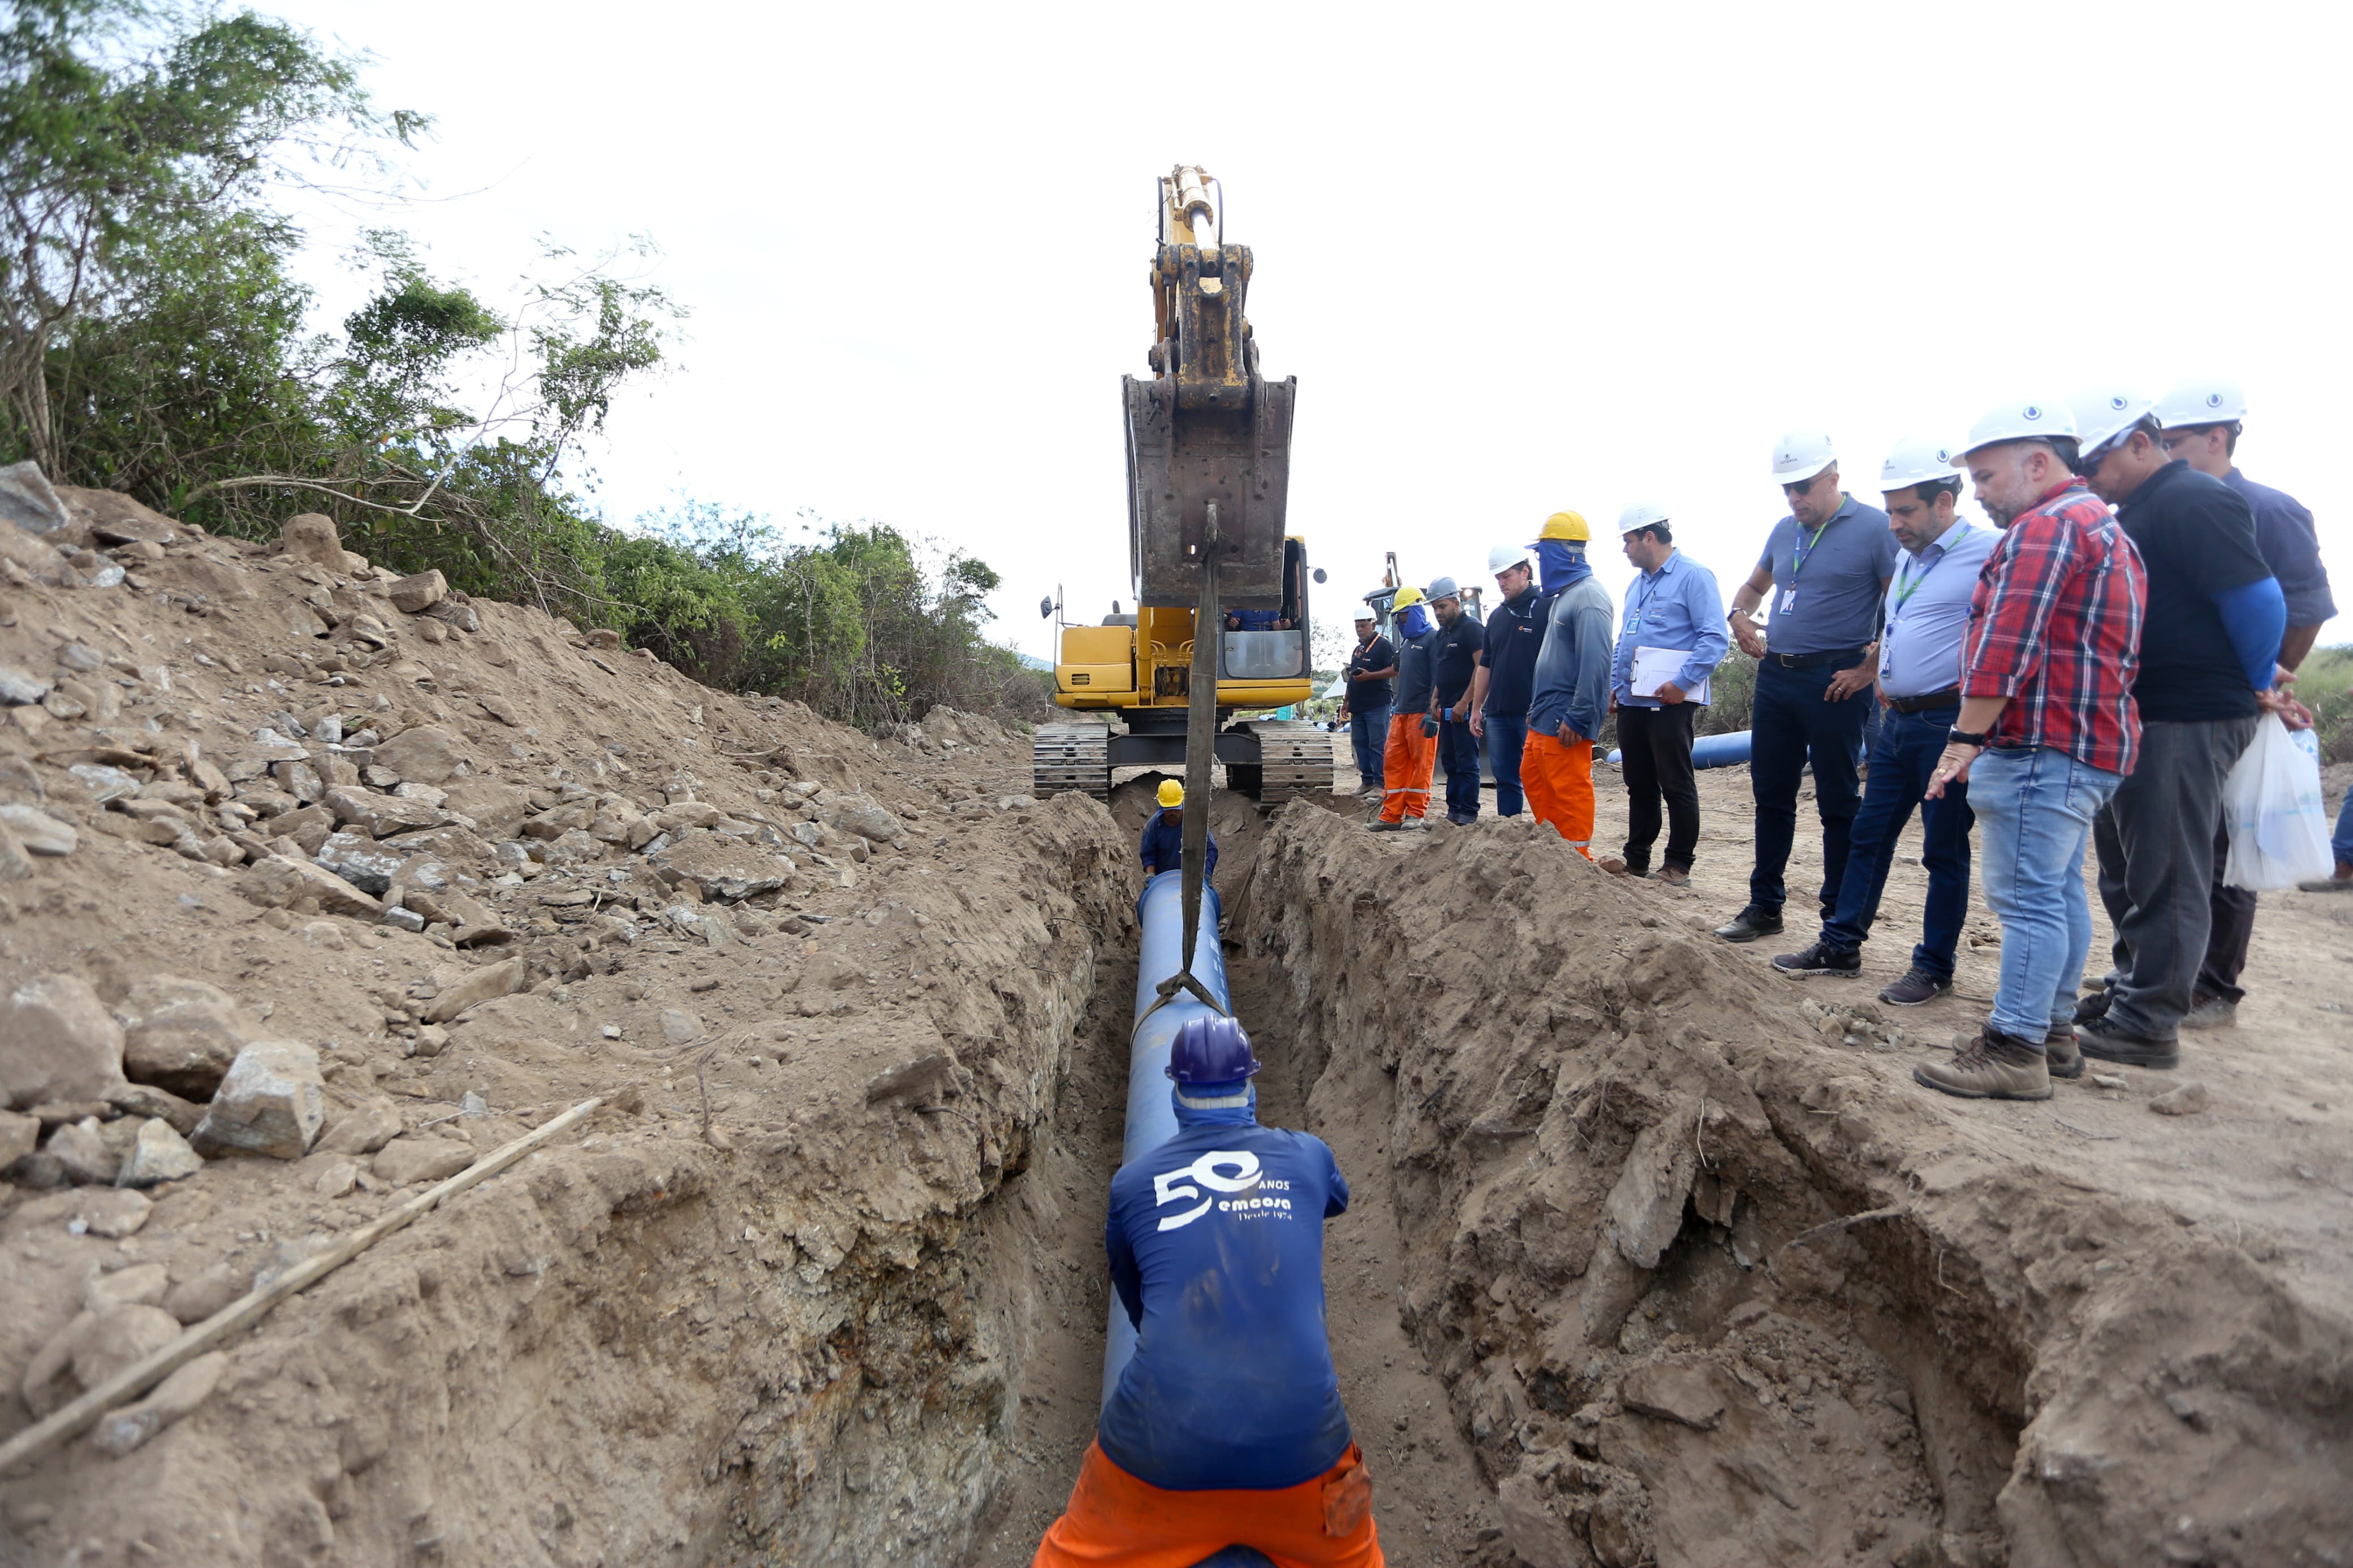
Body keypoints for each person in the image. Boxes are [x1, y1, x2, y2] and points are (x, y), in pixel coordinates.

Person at [1033, 1017, 1384, 1568]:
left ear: (1174, 1090)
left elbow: (1136, 1300)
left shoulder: (1131, 1184)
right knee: (1358, 1558)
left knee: (1066, 1558)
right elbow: (1333, 1200)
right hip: (1307, 1456)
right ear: (1251, 1085)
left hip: (1157, 1453)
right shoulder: (1308, 1155)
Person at [1914, 397, 2146, 1103]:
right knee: (2055, 891)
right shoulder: (2101, 527)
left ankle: (2014, 1047)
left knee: (2026, 898)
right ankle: (2050, 1031)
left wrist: (1962, 738)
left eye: (1984, 478)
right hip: (2087, 743)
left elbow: (2005, 646)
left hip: (2043, 745)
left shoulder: (2045, 528)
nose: (1977, 495)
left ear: (2037, 463)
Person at [2067, 390, 2283, 1070]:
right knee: (2127, 868)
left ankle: (2149, 1021)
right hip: (2144, 712)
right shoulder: (2141, 507)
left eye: (2097, 462)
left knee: (2168, 872)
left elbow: (2258, 600)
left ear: (2138, 443)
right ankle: (2133, 986)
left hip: (2185, 713)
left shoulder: (2193, 499)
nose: (2090, 479)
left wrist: (2257, 681)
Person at [1772, 437, 1993, 1004]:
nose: (1892, 522)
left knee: (1942, 848)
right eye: (1889, 509)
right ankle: (1840, 944)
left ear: (1944, 502)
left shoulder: (1990, 552)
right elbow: (1893, 630)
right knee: (1868, 835)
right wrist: (1881, 676)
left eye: (1905, 510)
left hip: (1946, 722)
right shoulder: (1906, 560)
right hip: (1896, 722)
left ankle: (1933, 966)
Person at [2154, 379, 2339, 1023]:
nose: (2163, 452)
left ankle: (2213, 986)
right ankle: (2165, 972)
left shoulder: (2268, 509)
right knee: (2175, 847)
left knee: (2223, 846)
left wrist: (2269, 678)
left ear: (2217, 436)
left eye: (2172, 441)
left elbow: (2308, 608)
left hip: (2238, 705)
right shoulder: (2166, 507)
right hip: (2180, 702)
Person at [1717, 433, 1898, 943]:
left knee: (1838, 799)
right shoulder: (1783, 530)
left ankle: (1836, 919)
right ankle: (1764, 907)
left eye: (1804, 487)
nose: (1796, 499)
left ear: (1834, 478)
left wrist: (1868, 671)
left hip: (1836, 680)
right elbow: (1754, 588)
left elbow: (1901, 607)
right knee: (1771, 794)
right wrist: (1739, 616)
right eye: (1788, 490)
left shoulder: (1874, 529)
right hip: (1776, 676)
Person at [1601, 503, 1728, 885]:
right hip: (1632, 702)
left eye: (1629, 541)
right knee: (1639, 784)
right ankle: (1636, 858)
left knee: (1675, 782)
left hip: (1670, 702)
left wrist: (1683, 683)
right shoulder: (1637, 584)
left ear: (1650, 537)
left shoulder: (1694, 577)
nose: (1625, 549)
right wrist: (1613, 686)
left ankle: (1678, 864)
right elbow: (1624, 640)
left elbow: (1715, 637)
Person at [1520, 511, 1615, 856]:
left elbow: (1597, 663)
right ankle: (1554, 855)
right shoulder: (1565, 597)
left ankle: (1577, 860)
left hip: (1566, 718)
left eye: (1542, 555)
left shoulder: (1589, 597)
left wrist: (1578, 715)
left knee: (1568, 788)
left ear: (1561, 553)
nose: (1540, 562)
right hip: (1545, 714)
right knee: (1534, 777)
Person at [1467, 537, 1554, 818]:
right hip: (1499, 714)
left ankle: (1549, 834)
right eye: (1498, 578)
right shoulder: (1498, 617)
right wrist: (1477, 708)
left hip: (1533, 713)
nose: (1502, 583)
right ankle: (1510, 831)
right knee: (1505, 778)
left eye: (1507, 576)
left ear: (1525, 572)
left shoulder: (1547, 608)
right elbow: (1485, 666)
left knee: (1540, 778)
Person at [1373, 587, 1440, 831]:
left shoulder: (1433, 639)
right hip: (1401, 712)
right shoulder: (1408, 643)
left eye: (1404, 615)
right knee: (1394, 762)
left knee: (1421, 765)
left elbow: (1438, 678)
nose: (1401, 620)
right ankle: (1391, 815)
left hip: (1421, 714)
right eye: (1399, 616)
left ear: (1416, 612)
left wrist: (1433, 712)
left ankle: (1415, 813)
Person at [1427, 577, 1485, 825]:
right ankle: (1453, 813)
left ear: (1456, 603)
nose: (1438, 612)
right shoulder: (1442, 635)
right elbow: (1444, 668)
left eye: (1442, 607)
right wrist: (1436, 697)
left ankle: (1468, 814)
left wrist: (1465, 703)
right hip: (1448, 706)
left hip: (1466, 707)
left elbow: (1481, 667)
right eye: (1435, 608)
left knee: (1466, 761)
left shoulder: (1471, 629)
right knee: (1450, 760)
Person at [1337, 611, 1395, 798]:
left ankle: (1381, 783)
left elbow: (1394, 670)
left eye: (1363, 626)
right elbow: (1352, 676)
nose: (1360, 630)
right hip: (1358, 705)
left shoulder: (1384, 646)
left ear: (1374, 624)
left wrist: (1371, 676)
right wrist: (1347, 700)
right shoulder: (1358, 650)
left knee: (1377, 745)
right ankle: (1367, 781)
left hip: (1377, 704)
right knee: (1360, 744)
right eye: (1357, 627)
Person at [1139, 779, 1218, 880]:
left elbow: (1211, 849)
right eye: (1168, 809)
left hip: (1192, 881)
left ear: (1182, 802)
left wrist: (1207, 874)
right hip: (1164, 881)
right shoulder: (1153, 826)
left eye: (1176, 808)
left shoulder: (1195, 823)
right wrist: (1150, 875)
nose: (1173, 812)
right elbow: (1148, 854)